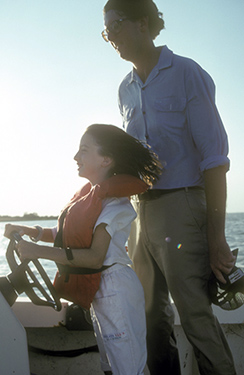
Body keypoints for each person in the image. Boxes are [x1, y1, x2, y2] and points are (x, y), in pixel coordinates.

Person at [101, 1, 237, 375]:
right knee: (149, 317)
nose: (110, 37)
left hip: (183, 206)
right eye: (105, 31)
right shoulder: (124, 90)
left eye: (116, 26)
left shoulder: (187, 74)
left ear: (143, 23)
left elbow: (215, 160)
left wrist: (216, 238)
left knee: (194, 313)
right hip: (140, 213)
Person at [4, 124, 162, 375]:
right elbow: (63, 237)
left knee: (128, 370)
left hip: (115, 291)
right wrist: (30, 231)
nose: (76, 157)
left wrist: (35, 251)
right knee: (110, 367)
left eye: (84, 151)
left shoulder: (115, 204)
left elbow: (93, 257)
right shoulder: (88, 197)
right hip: (100, 291)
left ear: (106, 159)